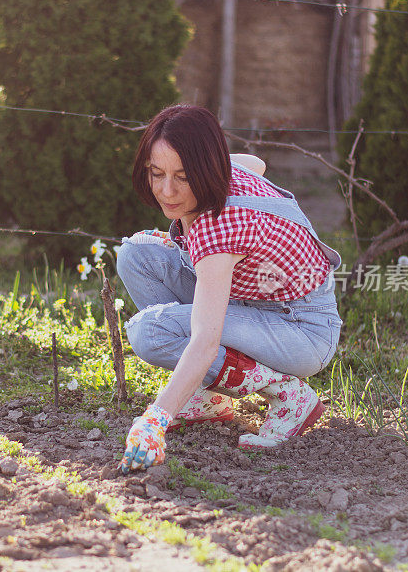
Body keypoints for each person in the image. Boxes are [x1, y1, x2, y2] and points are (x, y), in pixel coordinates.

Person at [116, 105, 342, 474]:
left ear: (205, 169)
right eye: (157, 173)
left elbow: (205, 340)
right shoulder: (227, 170)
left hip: (302, 330)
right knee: (136, 255)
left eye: (184, 177)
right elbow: (256, 162)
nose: (167, 191)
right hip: (255, 300)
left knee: (151, 331)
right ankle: (208, 397)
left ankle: (287, 393)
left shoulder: (217, 231)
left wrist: (155, 418)